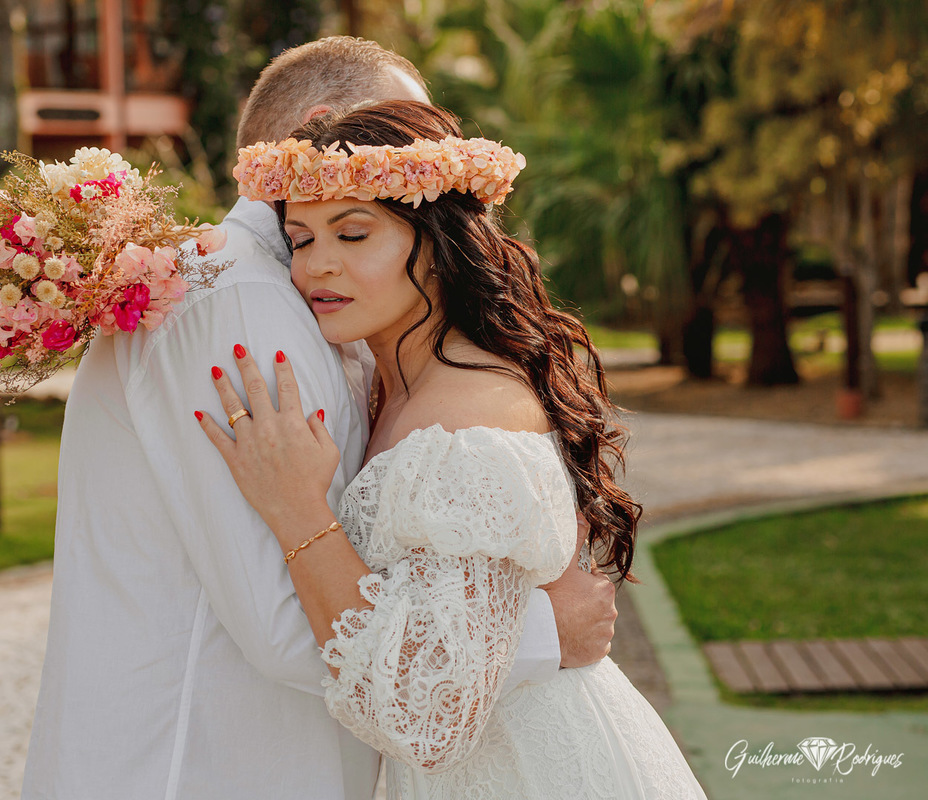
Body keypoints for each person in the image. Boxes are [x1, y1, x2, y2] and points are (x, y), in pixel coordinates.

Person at [21, 38, 616, 800]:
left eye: (351, 232)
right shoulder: (242, 298)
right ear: (329, 131)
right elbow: (281, 622)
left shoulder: (303, 306)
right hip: (197, 767)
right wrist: (544, 636)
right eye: (406, 126)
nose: (425, 147)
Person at [196, 100, 708, 799]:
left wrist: (295, 510)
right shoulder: (390, 381)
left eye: (352, 233)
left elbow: (426, 713)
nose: (318, 266)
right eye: (300, 239)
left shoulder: (466, 422)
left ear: (436, 241)